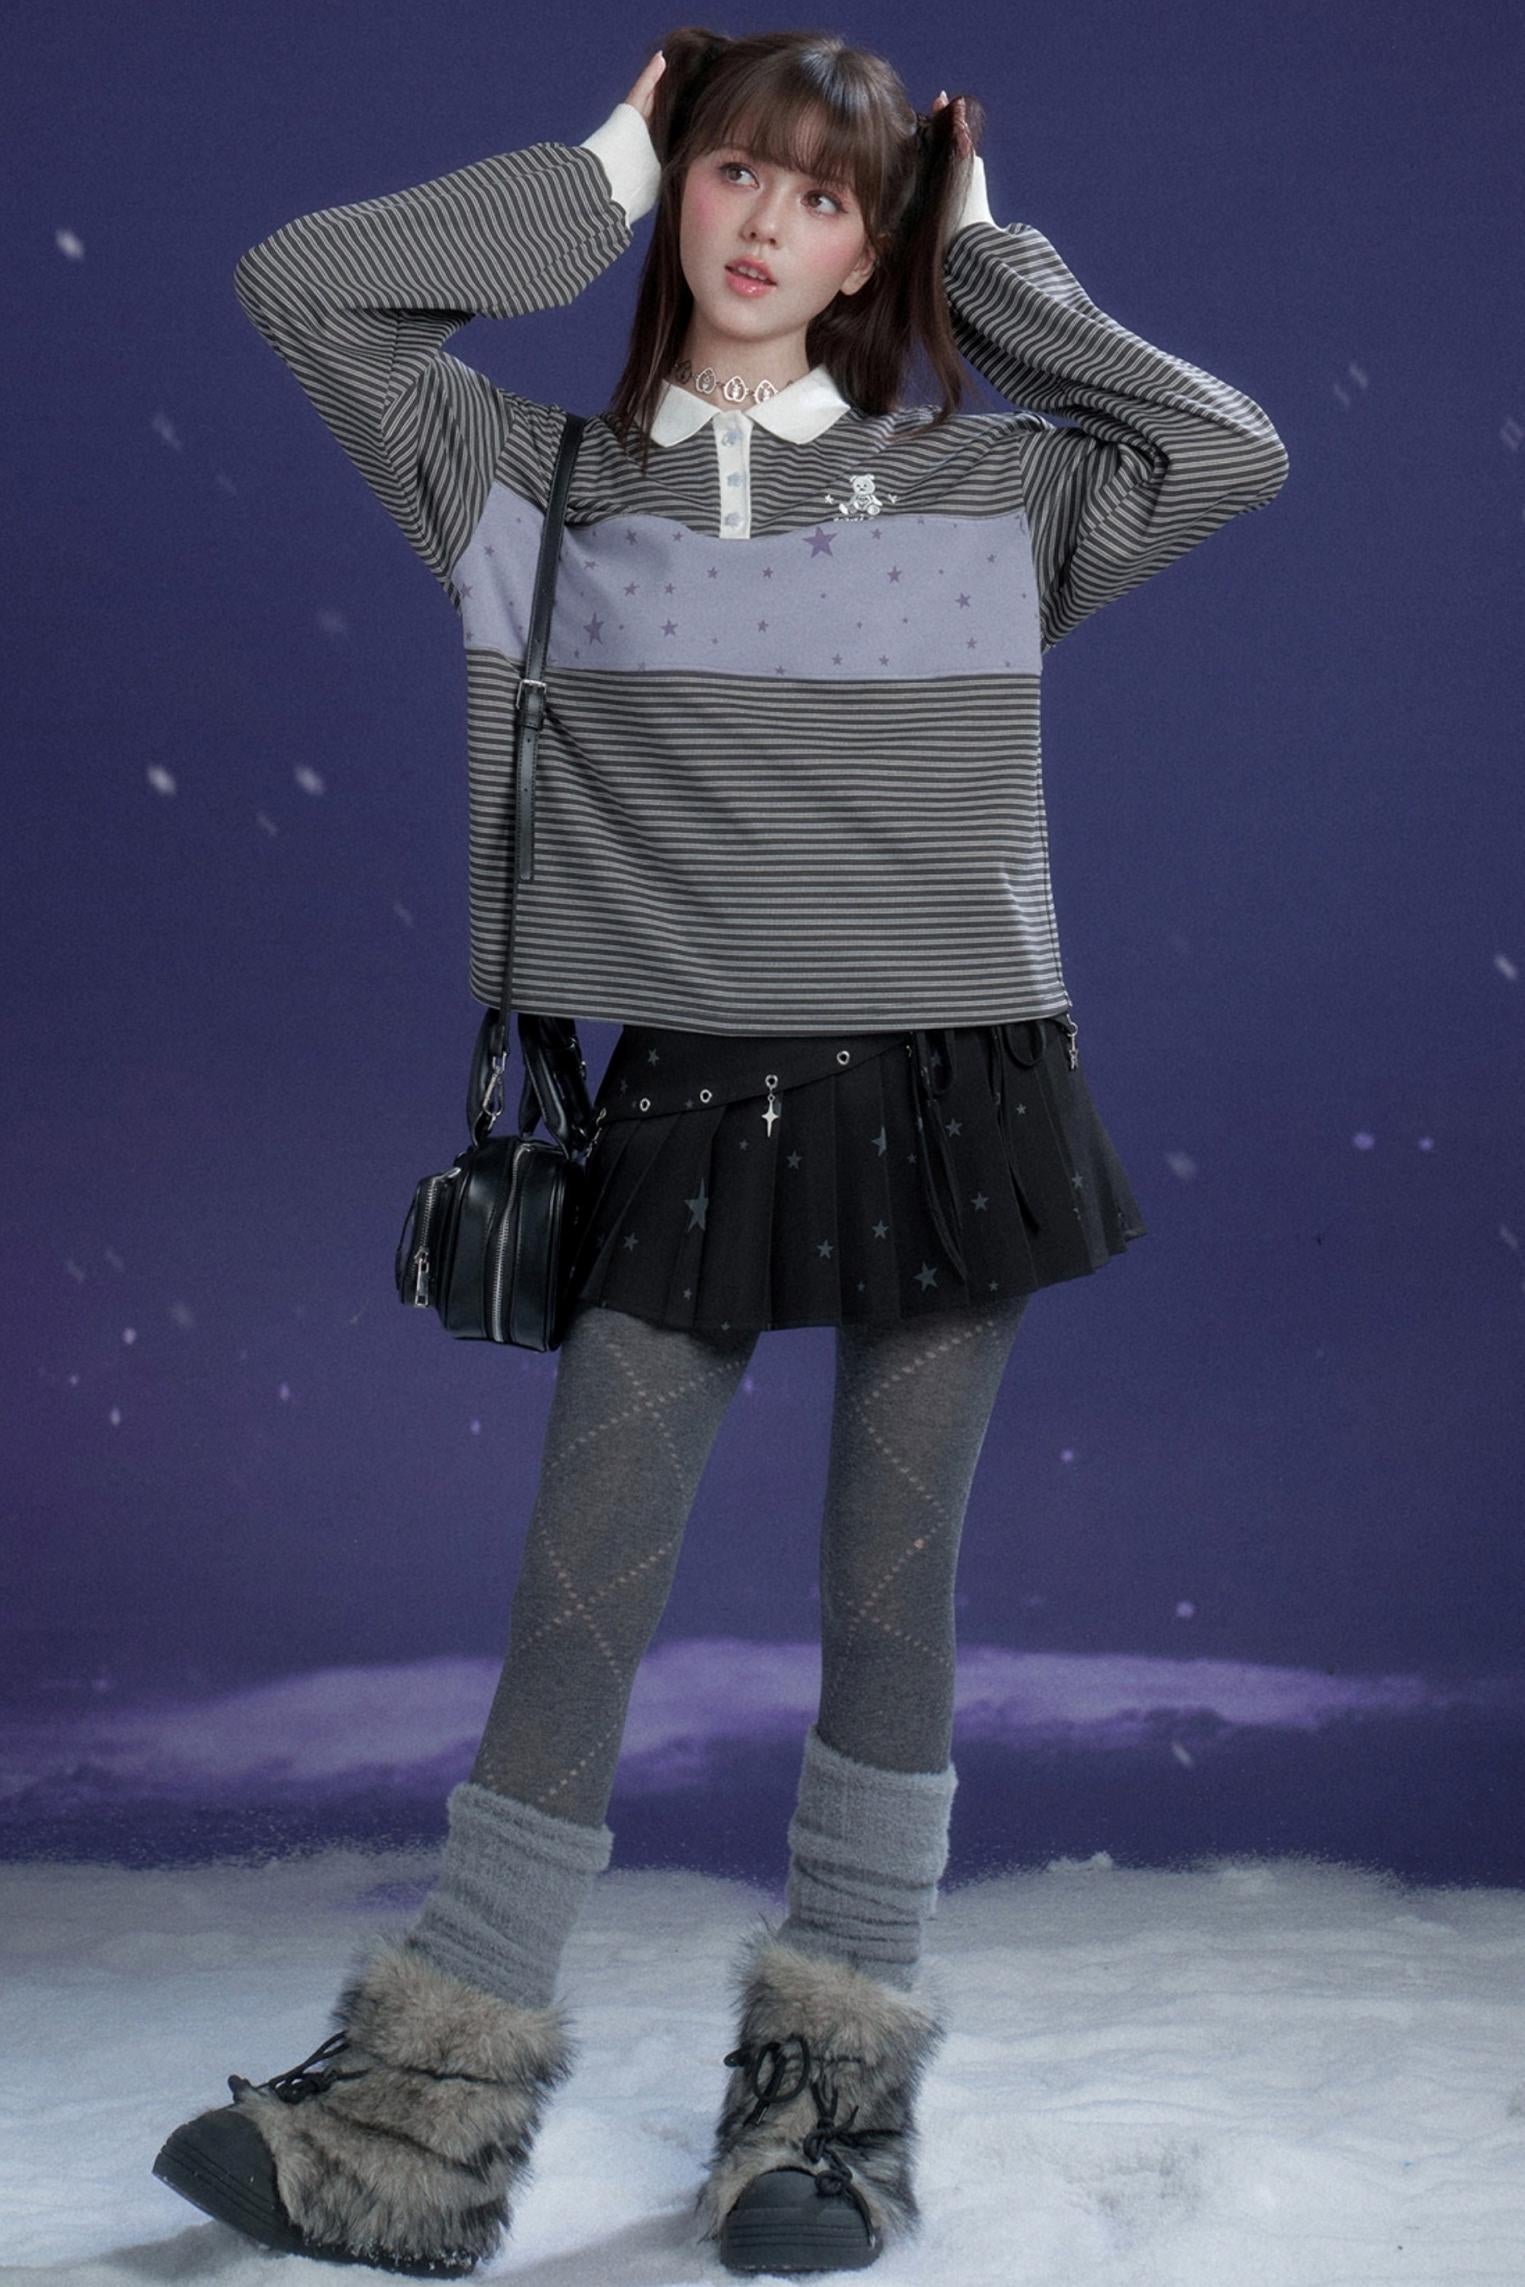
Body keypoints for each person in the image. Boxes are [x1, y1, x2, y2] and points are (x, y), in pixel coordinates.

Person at [152, 26, 1288, 2278]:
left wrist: (989, 259)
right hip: (687, 1093)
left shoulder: (986, 492)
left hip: (953, 1088)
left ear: (877, 244)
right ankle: (412, 2119)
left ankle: (825, 2126)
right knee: (576, 1600)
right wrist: (592, 163)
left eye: (828, 197)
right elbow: (302, 285)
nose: (767, 226)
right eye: (732, 175)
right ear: (680, 192)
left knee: (888, 1601)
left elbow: (1227, 450)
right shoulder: (527, 483)